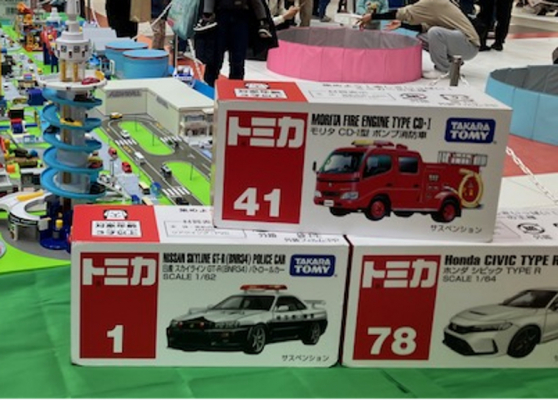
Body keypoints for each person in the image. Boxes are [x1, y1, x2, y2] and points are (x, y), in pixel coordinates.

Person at [358, 0, 480, 79]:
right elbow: (424, 27)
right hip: (459, 42)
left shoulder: (432, 2)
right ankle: (452, 66)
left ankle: (443, 70)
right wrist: (402, 25)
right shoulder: (432, 5)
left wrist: (373, 16)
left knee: (435, 33)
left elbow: (403, 13)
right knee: (422, 38)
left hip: (469, 44)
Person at [196, 0, 279, 87]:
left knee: (237, 60)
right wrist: (207, 14)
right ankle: (209, 86)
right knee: (215, 59)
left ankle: (234, 87)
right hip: (220, 16)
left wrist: (262, 20)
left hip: (239, 17)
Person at [194, 0, 273, 38]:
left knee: (237, 58)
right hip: (222, 13)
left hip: (239, 14)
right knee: (216, 57)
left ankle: (263, 23)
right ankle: (263, 22)